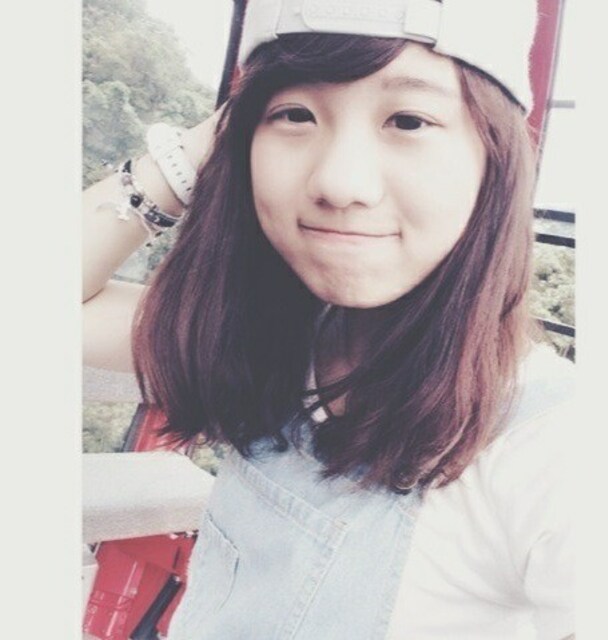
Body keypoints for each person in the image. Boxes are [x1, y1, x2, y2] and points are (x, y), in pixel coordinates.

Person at [83, 0, 575, 638]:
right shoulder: (275, 337)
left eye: (408, 120)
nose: (340, 183)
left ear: (496, 161)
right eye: (295, 115)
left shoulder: (555, 446)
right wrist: (197, 153)